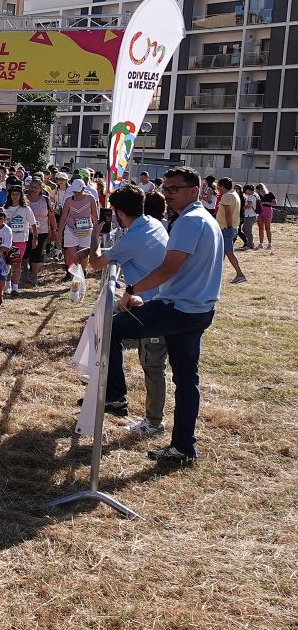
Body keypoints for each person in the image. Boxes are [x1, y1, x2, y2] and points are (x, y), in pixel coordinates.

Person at [110, 167, 223, 463]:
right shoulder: (203, 219)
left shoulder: (189, 222)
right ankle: (183, 447)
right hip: (197, 309)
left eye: (174, 188)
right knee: (187, 381)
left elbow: (168, 269)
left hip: (179, 309)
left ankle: (114, 397)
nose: (167, 193)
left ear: (194, 191)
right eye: (165, 187)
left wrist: (132, 290)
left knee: (108, 328)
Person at [79, 185, 169, 430]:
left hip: (159, 306)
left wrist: (94, 237)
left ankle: (147, 417)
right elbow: (125, 253)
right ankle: (112, 393)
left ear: (118, 212)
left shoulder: (132, 237)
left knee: (151, 364)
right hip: (157, 300)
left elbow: (96, 264)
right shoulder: (152, 223)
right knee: (108, 330)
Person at [57, 178, 98, 281]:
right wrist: (59, 233)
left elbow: (95, 216)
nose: (76, 194)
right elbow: (63, 218)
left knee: (84, 254)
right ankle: (72, 278)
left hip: (86, 229)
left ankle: (81, 275)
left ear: (83, 189)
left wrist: (97, 231)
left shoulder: (90, 198)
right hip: (71, 229)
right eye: (75, 192)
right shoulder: (69, 200)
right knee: (71, 254)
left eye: (78, 192)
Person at [3, 185, 36, 297]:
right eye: (13, 194)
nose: (15, 196)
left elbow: (33, 224)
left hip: (21, 240)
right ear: (9, 195)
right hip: (7, 240)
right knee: (7, 263)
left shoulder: (26, 209)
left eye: (17, 194)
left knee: (17, 263)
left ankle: (15, 287)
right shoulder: (5, 208)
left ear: (21, 195)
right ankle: (7, 286)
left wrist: (35, 238)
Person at [215, 178, 246, 284]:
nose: (218, 189)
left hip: (226, 228)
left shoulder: (226, 196)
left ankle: (240, 274)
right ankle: (216, 274)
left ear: (222, 186)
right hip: (231, 227)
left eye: (218, 186)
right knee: (221, 253)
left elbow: (228, 213)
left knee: (229, 252)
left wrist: (228, 226)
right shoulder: (234, 194)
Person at [25, 179, 56, 286]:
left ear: (41, 189)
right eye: (31, 187)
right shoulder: (24, 199)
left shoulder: (46, 200)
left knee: (37, 253)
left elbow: (51, 216)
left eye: (36, 187)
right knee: (25, 254)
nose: (33, 189)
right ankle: (24, 273)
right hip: (25, 231)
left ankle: (34, 275)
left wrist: (55, 230)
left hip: (42, 231)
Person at [255, 183, 275, 249]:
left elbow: (274, 203)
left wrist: (265, 203)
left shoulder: (269, 194)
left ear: (261, 189)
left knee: (267, 228)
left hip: (267, 210)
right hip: (260, 211)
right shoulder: (257, 196)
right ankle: (261, 243)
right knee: (260, 228)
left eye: (258, 190)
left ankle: (270, 244)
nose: (257, 192)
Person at [240, 184, 259, 252]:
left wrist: (242, 207)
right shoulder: (256, 195)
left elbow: (248, 206)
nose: (245, 192)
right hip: (253, 215)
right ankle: (250, 243)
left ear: (248, 190)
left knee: (247, 230)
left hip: (249, 215)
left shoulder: (251, 196)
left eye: (245, 191)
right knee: (246, 229)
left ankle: (250, 244)